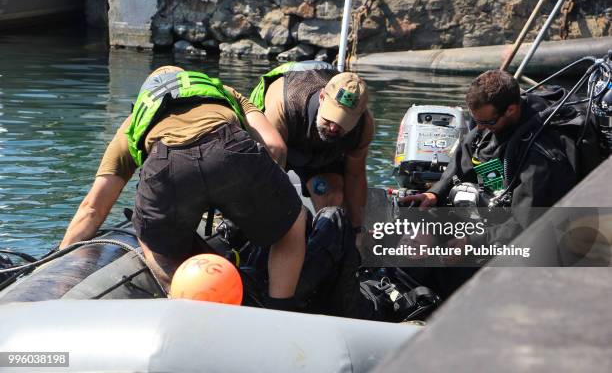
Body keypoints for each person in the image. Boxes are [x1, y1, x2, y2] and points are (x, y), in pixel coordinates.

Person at [59, 66, 307, 311]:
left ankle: (184, 300)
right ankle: (280, 310)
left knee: (154, 243)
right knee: (292, 224)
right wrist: (267, 197)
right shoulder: (223, 91)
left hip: (166, 168)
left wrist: (60, 260)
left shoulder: (138, 117)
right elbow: (275, 146)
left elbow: (93, 208)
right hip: (231, 150)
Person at [403, 69, 579, 252]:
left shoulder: (539, 155)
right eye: (475, 120)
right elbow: (464, 156)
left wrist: (475, 240)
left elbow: (527, 223)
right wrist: (436, 193)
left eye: (487, 123)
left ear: (511, 110)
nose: (480, 128)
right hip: (493, 214)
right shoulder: (490, 124)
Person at [249, 61, 375, 246]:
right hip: (278, 140)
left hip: (320, 152)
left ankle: (322, 251)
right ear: (323, 97)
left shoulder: (363, 126)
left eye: (343, 124)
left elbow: (355, 175)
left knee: (332, 197)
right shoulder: (285, 103)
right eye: (330, 118)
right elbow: (265, 175)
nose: (333, 127)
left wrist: (357, 229)